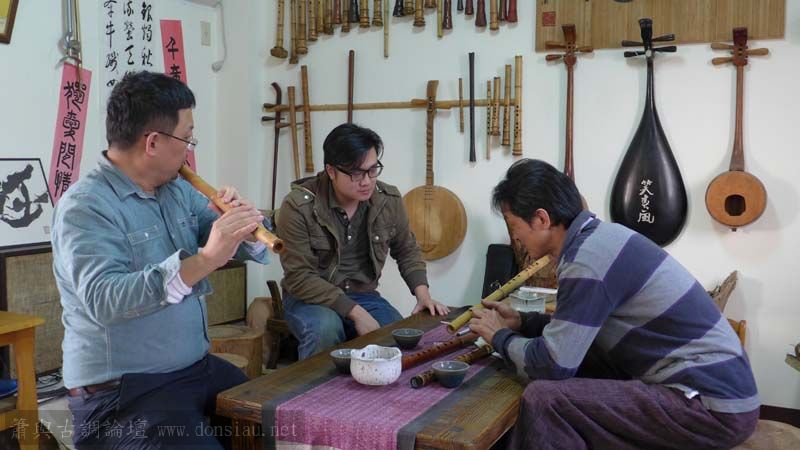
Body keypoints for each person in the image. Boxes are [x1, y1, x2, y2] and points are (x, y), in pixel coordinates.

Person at [469, 159, 759, 450]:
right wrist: (523, 322)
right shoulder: (598, 239)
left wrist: (500, 337)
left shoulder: (587, 260)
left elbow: (554, 366)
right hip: (719, 396)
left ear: (541, 219)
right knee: (585, 357)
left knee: (544, 399)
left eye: (515, 226)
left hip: (712, 406)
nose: (516, 237)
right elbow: (578, 332)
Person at [52, 71, 268, 449]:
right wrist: (205, 259)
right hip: (122, 394)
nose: (189, 150)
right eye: (187, 138)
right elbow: (105, 300)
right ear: (153, 142)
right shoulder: (85, 207)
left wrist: (244, 226)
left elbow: (218, 234)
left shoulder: (176, 189)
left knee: (271, 420)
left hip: (194, 370)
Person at [277, 123, 449, 359]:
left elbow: (406, 249)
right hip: (309, 299)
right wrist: (356, 313)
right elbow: (300, 277)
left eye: (372, 170)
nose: (367, 181)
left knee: (395, 339)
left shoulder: (388, 200)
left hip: (363, 295)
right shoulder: (298, 207)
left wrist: (423, 296)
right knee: (325, 330)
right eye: (356, 174)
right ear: (331, 171)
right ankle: (314, 385)